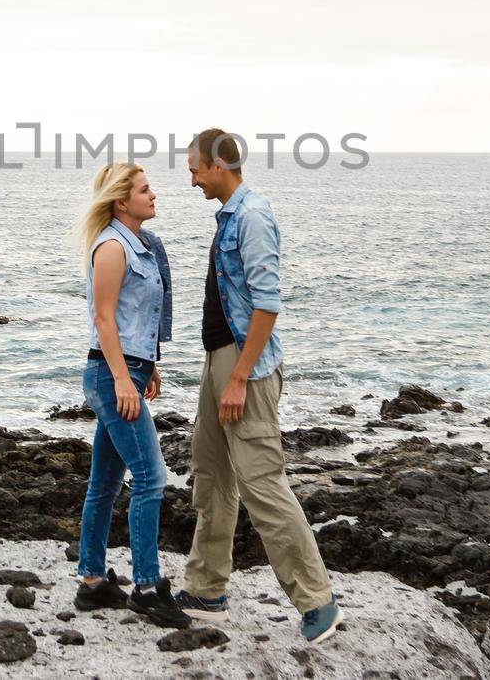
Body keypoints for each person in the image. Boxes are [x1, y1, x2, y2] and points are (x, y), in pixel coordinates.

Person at [173, 128, 344, 645]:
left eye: (195, 167)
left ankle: (318, 601)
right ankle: (207, 590)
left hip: (243, 366)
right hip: (217, 361)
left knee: (262, 482)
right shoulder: (229, 215)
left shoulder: (251, 216)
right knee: (211, 474)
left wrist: (240, 378)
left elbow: (267, 304)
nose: (191, 177)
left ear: (218, 165)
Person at [72, 161, 192, 629]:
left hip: (128, 369)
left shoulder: (141, 246)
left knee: (104, 483)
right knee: (150, 478)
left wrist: (147, 366)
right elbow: (104, 320)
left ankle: (93, 582)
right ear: (122, 201)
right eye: (145, 190)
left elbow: (132, 318)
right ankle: (146, 588)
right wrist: (124, 380)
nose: (154, 195)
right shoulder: (112, 248)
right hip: (110, 374)